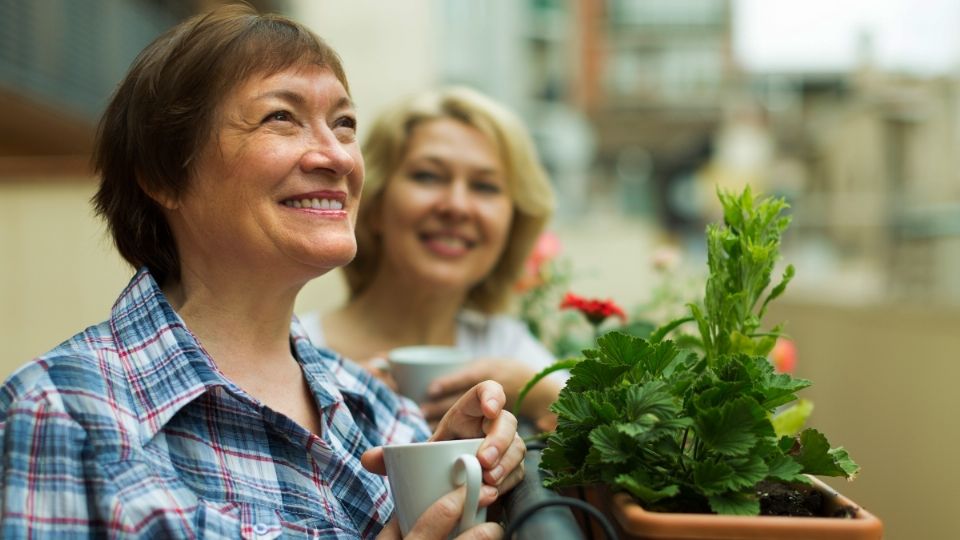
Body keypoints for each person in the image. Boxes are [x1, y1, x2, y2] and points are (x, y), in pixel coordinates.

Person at [0, 6, 523, 539]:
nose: (338, 157)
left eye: (344, 124)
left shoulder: (379, 410)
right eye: (281, 117)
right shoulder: (61, 412)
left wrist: (450, 479)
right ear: (163, 176)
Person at [306, 87, 563, 431]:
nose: (456, 206)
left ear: (511, 224)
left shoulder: (507, 349)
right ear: (375, 203)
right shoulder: (299, 349)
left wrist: (533, 391)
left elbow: (631, 444)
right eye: (428, 176)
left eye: (485, 187)